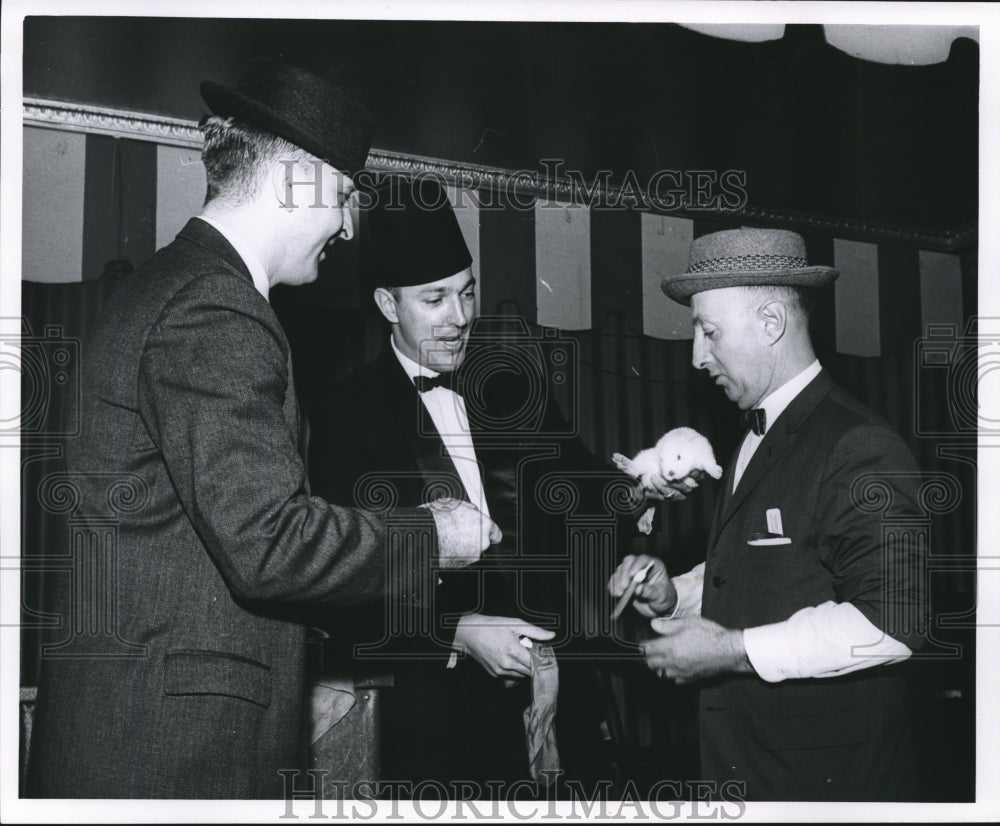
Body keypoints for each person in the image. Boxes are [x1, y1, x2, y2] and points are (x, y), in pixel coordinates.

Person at [27, 61, 498, 800]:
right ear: (289, 180)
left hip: (141, 732)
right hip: (175, 750)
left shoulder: (168, 287)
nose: (346, 226)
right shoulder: (218, 309)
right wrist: (434, 535)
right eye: (342, 197)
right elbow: (269, 545)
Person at [307, 176, 686, 796]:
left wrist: (642, 486)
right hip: (436, 714)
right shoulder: (349, 413)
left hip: (556, 692)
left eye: (467, 292)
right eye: (435, 300)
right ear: (386, 305)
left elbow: (583, 493)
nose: (460, 318)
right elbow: (339, 572)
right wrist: (455, 630)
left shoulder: (511, 387)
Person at [609, 227, 926, 801]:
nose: (697, 357)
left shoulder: (859, 445)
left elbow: (894, 624)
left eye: (708, 332)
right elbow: (777, 567)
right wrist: (677, 594)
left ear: (771, 323)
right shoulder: (755, 436)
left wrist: (732, 649)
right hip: (746, 773)